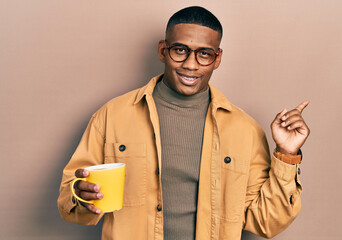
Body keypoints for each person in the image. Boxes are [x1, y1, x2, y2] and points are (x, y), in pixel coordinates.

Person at [58, 6, 310, 240]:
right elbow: (69, 202)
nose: (190, 64)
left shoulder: (245, 130)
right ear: (162, 51)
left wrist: (287, 155)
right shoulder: (112, 115)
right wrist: (80, 193)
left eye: (204, 54)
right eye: (180, 50)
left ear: (218, 58)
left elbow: (267, 222)